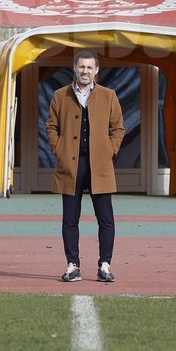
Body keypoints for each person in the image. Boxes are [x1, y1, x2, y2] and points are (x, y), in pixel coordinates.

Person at [46, 49, 124, 283]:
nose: (85, 71)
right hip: (71, 165)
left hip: (99, 166)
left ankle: (105, 265)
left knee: (106, 219)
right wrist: (59, 149)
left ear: (96, 70)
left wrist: (110, 150)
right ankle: (72, 265)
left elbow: (118, 128)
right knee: (70, 219)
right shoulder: (60, 95)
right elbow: (51, 127)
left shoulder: (109, 95)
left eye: (90, 67)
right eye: (82, 67)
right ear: (74, 67)